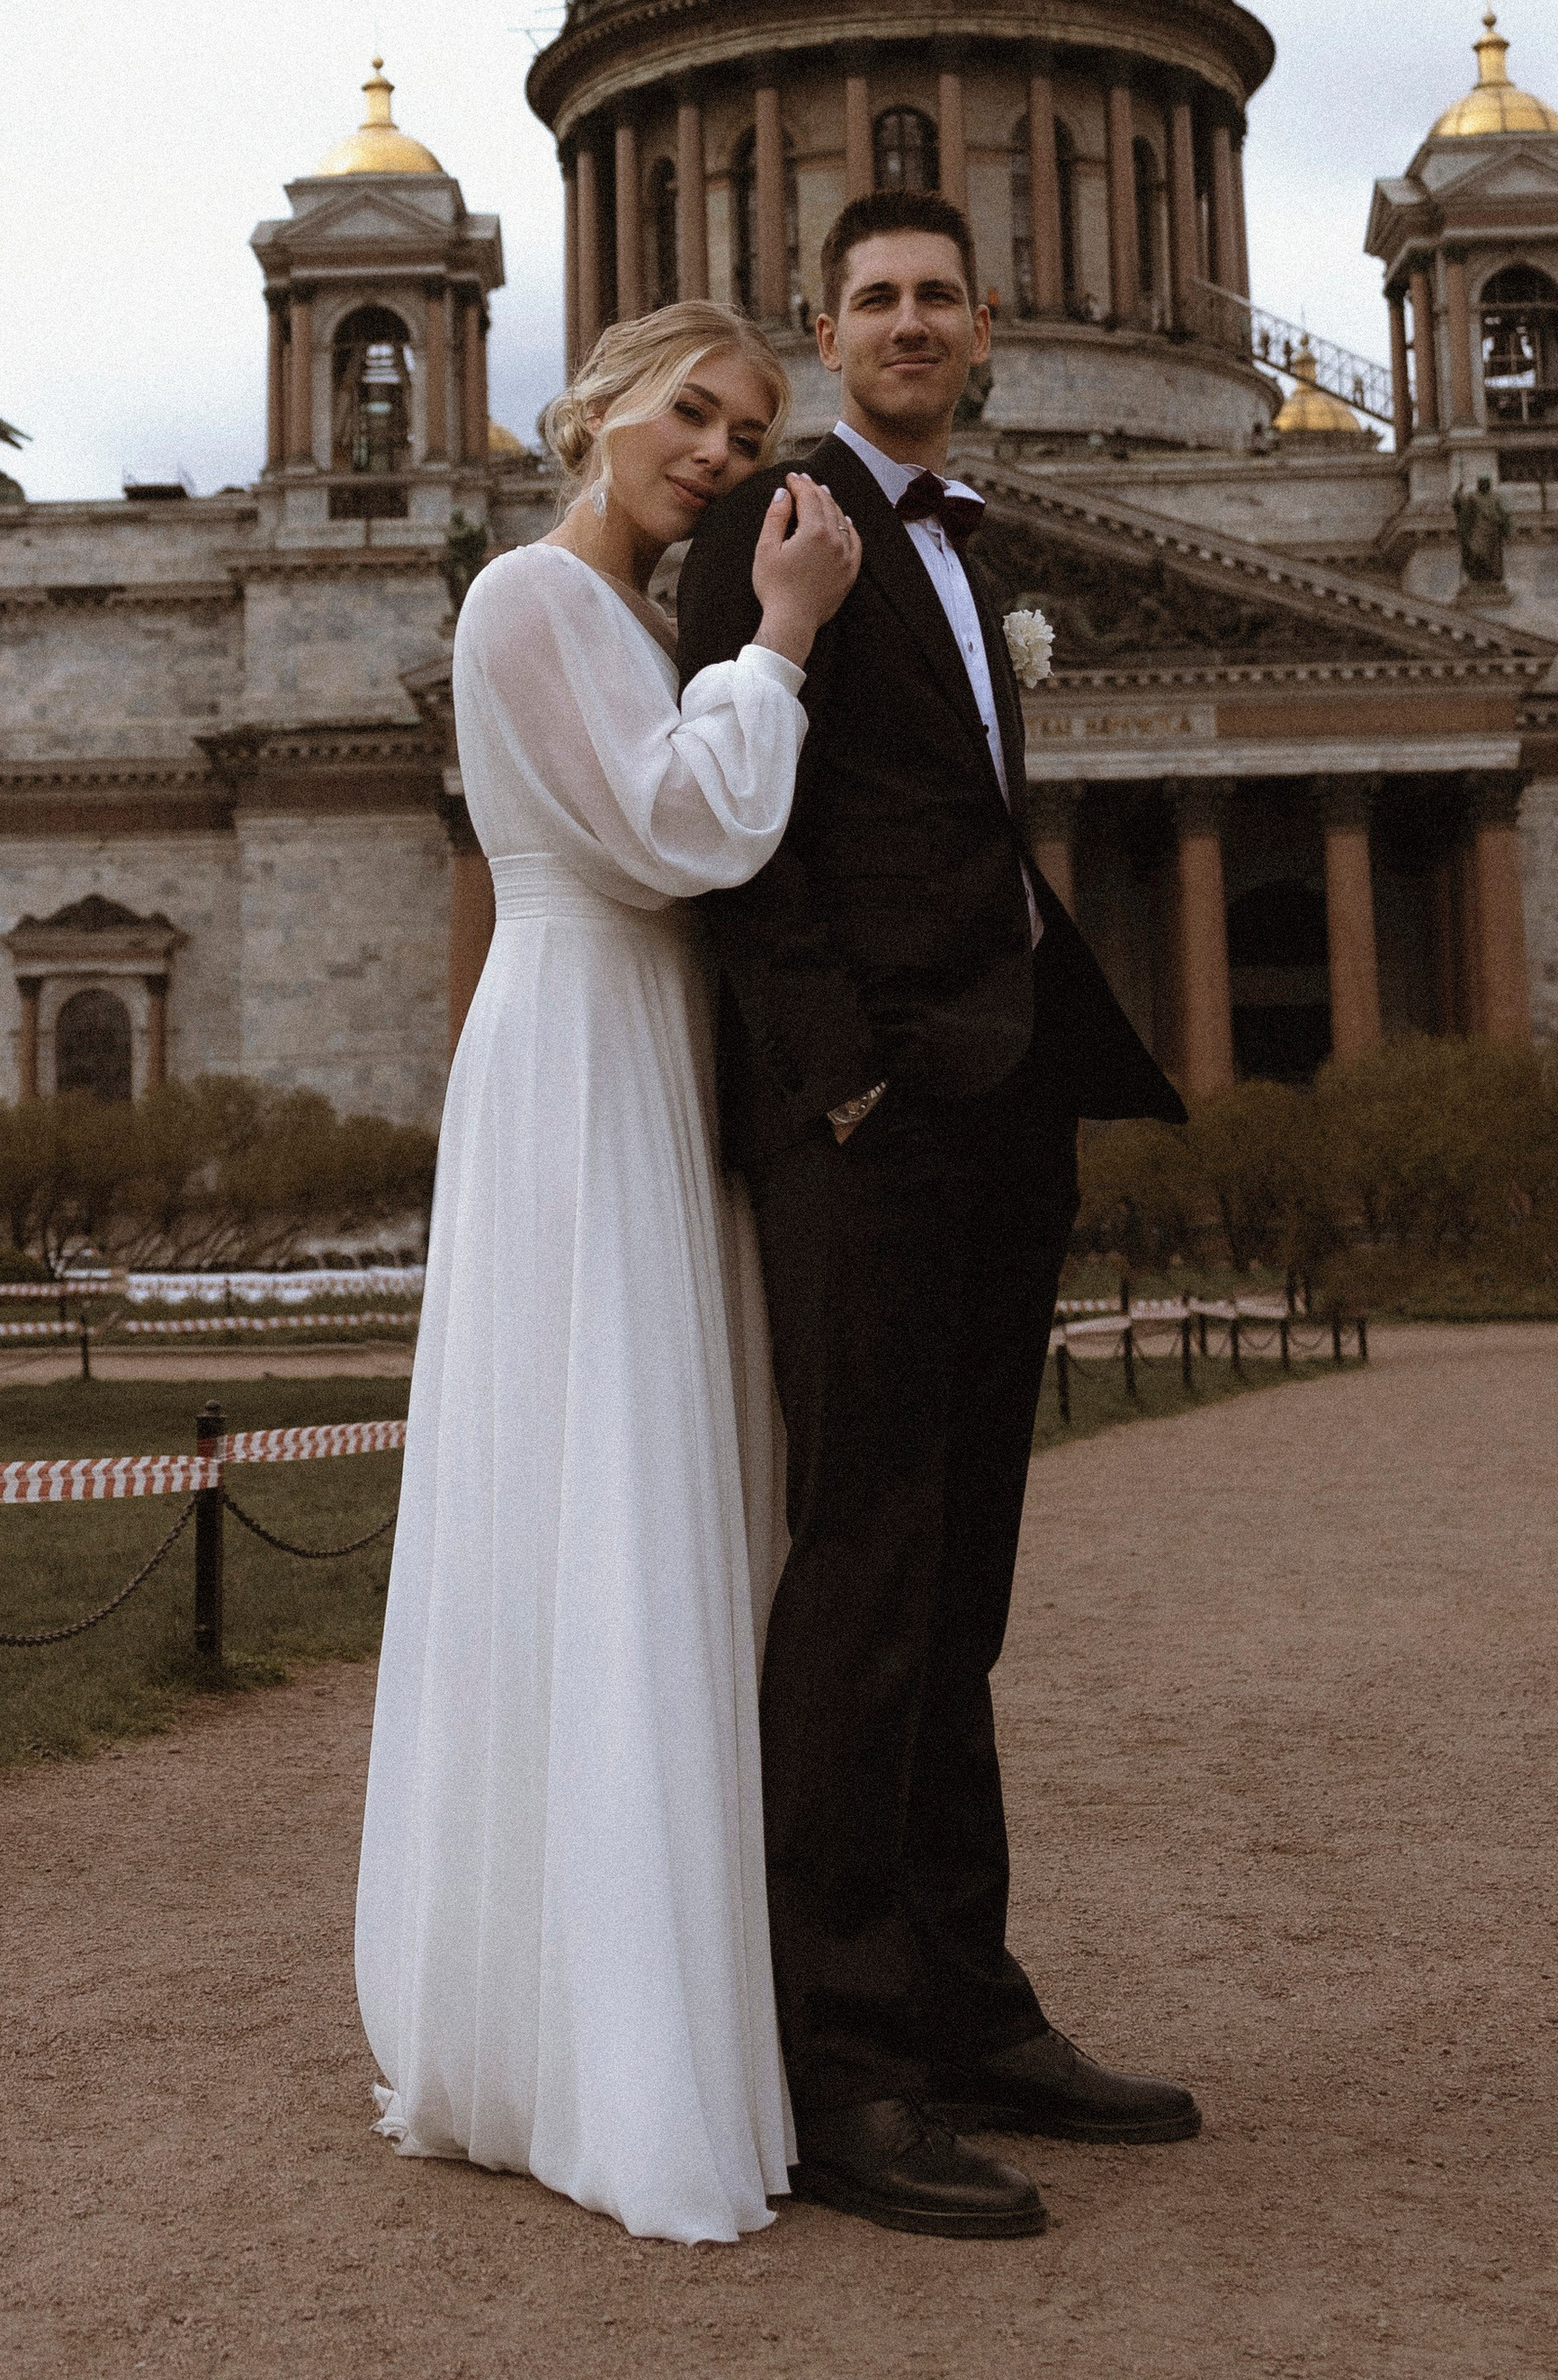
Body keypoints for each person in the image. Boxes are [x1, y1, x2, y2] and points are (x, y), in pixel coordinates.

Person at [677, 191, 1196, 2244]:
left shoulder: (964, 544)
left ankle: (964, 2001)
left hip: (996, 1118)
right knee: (869, 1574)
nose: (906, 324)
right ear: (825, 329)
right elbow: (739, 823)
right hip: (873, 1126)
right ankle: (840, 2060)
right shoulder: (779, 522)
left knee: (955, 1582)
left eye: (935, 298)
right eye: (871, 300)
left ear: (988, 324)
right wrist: (840, 1076)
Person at [356, 302, 861, 2245]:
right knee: (607, 1514)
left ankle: (589, 2009)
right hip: (582, 1052)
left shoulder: (622, 622)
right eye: (692, 411)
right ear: (593, 408)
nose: (721, 453)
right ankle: (611, 2056)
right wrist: (789, 639)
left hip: (622, 1049)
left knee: (617, 1518)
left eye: (746, 428)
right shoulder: (531, 601)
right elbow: (689, 828)